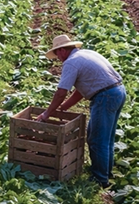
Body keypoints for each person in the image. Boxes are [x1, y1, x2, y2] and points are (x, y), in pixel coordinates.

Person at [37, 35, 125, 188]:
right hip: (118, 92)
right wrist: (64, 107)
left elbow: (61, 92)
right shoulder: (86, 54)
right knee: (107, 138)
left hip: (105, 96)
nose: (57, 58)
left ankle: (100, 180)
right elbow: (79, 91)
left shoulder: (71, 63)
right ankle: (105, 173)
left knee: (97, 140)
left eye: (57, 53)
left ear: (63, 50)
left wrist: (46, 113)